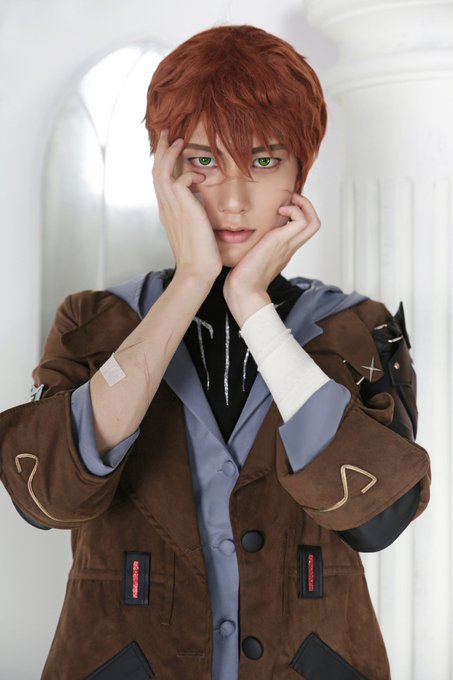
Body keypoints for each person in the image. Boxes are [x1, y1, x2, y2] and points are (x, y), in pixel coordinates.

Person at [0, 23, 430, 680]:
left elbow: (378, 521)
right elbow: (48, 499)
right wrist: (192, 280)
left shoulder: (356, 328)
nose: (233, 199)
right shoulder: (94, 320)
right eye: (203, 161)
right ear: (163, 169)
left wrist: (253, 306)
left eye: (264, 161)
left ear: (300, 171)